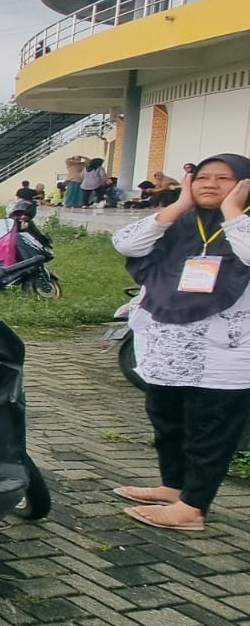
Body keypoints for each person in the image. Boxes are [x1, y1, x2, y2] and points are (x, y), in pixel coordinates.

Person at [111, 154, 250, 532]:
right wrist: (179, 205)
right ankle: (172, 487)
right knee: (168, 421)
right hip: (166, 347)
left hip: (225, 354)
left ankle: (193, 508)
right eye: (203, 177)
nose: (210, 184)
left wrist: (234, 213)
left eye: (225, 178)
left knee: (210, 431)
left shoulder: (244, 226)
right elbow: (126, 243)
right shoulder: (180, 222)